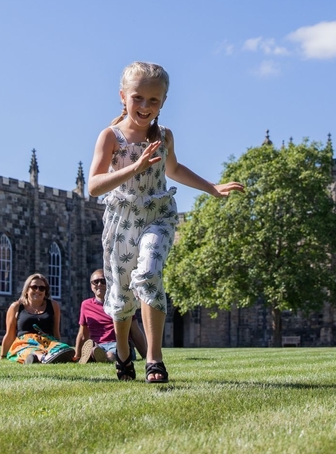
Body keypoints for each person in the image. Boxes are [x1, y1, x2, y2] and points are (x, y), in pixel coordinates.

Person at [89, 61, 244, 383]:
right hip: (123, 220)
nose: (145, 106)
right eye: (138, 98)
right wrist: (134, 168)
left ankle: (154, 359)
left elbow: (173, 170)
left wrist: (211, 187)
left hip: (158, 217)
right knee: (121, 295)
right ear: (123, 97)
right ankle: (122, 352)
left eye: (153, 100)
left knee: (148, 275)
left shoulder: (165, 136)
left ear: (163, 102)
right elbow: (94, 186)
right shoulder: (111, 137)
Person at [75, 269, 147, 363]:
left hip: (119, 344)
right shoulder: (86, 305)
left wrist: (146, 355)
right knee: (93, 348)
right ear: (91, 286)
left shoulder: (121, 303)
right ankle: (94, 354)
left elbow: (135, 331)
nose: (99, 284)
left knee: (112, 353)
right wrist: (77, 356)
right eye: (95, 282)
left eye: (103, 281)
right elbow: (83, 334)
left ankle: (103, 358)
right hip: (98, 345)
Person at [1, 274, 75, 364]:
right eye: (34, 287)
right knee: (29, 351)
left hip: (47, 341)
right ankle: (42, 357)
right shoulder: (16, 307)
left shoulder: (53, 305)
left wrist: (58, 343)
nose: (38, 290)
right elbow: (10, 334)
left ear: (45, 292)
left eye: (41, 288)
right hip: (25, 343)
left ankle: (50, 357)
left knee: (64, 348)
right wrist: (3, 355)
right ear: (27, 290)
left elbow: (56, 331)